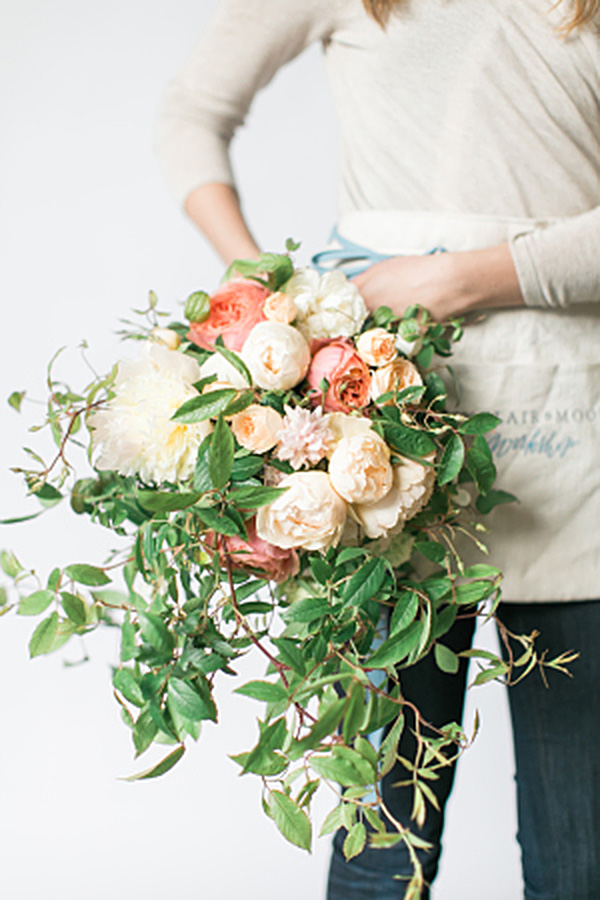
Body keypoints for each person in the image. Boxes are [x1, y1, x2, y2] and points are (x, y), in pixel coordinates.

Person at [154, 1, 600, 897]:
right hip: (373, 449)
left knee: (580, 862)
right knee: (380, 855)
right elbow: (190, 114)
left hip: (575, 438)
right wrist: (261, 295)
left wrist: (454, 278)